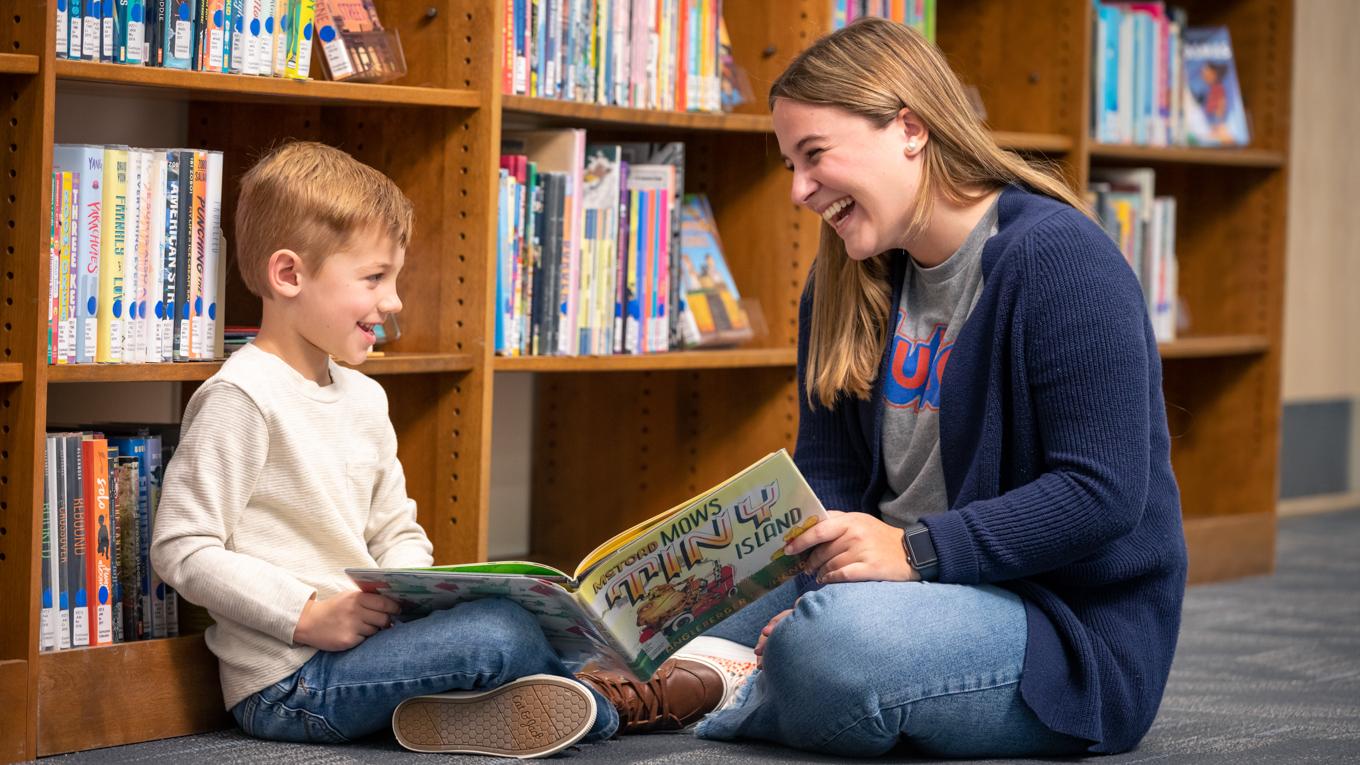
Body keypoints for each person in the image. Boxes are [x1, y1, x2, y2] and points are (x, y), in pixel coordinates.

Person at [694, 18, 1188, 758]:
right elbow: (831, 474)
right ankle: (645, 683)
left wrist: (915, 552)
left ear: (911, 128)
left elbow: (1101, 493)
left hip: (1056, 628)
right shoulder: (841, 282)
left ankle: (704, 687)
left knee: (832, 646)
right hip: (887, 587)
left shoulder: (1058, 260)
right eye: (791, 165)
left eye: (814, 155)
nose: (800, 190)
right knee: (652, 623)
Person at [151, 141, 728, 759]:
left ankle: (459, 715)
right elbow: (182, 548)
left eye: (392, 278)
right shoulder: (241, 396)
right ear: (289, 275)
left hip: (371, 651)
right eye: (374, 278)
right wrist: (306, 614)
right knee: (497, 635)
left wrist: (418, 590)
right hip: (292, 683)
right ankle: (611, 707)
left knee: (520, 615)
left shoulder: (365, 397)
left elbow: (396, 530)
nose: (394, 301)